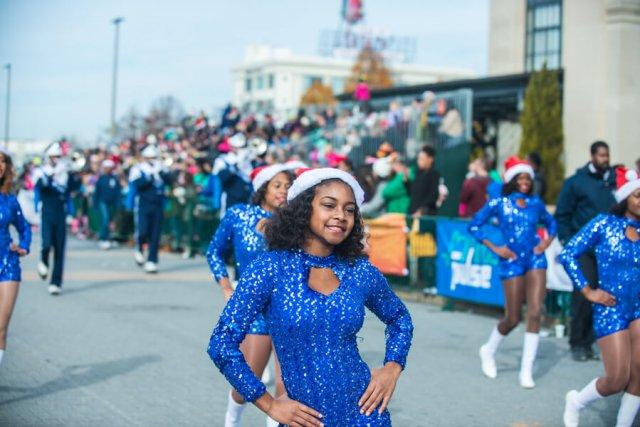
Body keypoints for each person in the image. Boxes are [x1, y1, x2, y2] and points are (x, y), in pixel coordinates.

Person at [207, 168, 413, 426]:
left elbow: (400, 319)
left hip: (366, 415)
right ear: (304, 209)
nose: (341, 216)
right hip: (304, 420)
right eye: (329, 205)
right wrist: (269, 404)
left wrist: (392, 368)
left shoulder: (359, 271)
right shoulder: (270, 268)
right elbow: (221, 344)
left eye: (350, 210)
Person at [206, 164, 294, 427]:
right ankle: (231, 419)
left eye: (289, 187)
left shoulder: (296, 222)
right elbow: (214, 252)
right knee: (248, 382)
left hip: (290, 308)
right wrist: (226, 287)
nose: (283, 191)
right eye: (277, 185)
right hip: (255, 308)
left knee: (286, 385)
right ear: (262, 187)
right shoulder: (239, 214)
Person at [561, 167, 640, 427]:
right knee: (617, 379)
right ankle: (576, 401)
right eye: (638, 195)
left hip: (638, 309)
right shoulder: (604, 223)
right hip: (611, 308)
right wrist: (587, 291)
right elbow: (569, 252)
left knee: (638, 373)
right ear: (625, 198)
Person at [469, 156, 557, 388]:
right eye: (521, 177)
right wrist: (496, 247)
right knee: (513, 318)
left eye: (528, 178)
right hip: (512, 261)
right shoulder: (499, 202)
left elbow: (552, 224)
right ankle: (488, 350)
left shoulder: (535, 203)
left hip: (536, 259)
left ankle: (526, 371)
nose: (526, 182)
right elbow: (475, 225)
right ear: (512, 180)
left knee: (536, 311)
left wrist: (545, 244)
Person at [555, 141, 617, 361]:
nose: (605, 159)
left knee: (605, 295)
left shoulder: (613, 182)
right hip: (583, 249)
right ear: (592, 156)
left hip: (608, 250)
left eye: (607, 155)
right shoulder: (576, 182)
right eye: (601, 155)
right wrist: (567, 241)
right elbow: (562, 214)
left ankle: (590, 342)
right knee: (584, 294)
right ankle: (577, 342)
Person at [33, 142, 80, 295]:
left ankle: (56, 282)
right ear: (48, 157)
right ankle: (43, 261)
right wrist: (53, 174)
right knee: (46, 244)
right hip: (47, 212)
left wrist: (73, 173)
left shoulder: (65, 172)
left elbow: (74, 188)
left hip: (61, 212)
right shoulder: (41, 171)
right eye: (53, 156)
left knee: (60, 249)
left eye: (58, 156)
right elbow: (41, 187)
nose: (56, 159)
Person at [0, 150, 31, 367]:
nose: (0, 165)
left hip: (8, 263)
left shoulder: (10, 200)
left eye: (3, 162)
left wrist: (24, 247)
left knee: (1, 325)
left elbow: (24, 228)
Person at [128, 144, 172, 274]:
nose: (152, 160)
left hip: (158, 203)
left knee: (155, 233)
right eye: (150, 157)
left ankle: (152, 260)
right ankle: (140, 249)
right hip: (143, 203)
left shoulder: (161, 168)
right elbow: (137, 184)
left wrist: (162, 172)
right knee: (142, 230)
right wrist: (149, 176)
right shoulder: (138, 169)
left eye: (154, 157)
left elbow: (169, 181)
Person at [93, 159, 121, 249]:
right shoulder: (101, 178)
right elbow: (97, 192)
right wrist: (95, 203)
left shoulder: (114, 179)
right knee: (105, 218)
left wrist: (118, 202)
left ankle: (107, 237)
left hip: (112, 203)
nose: (107, 169)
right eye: (106, 168)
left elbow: (117, 191)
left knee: (109, 220)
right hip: (103, 202)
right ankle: (103, 238)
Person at [408, 145, 440, 217]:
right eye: (418, 159)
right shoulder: (417, 174)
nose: (419, 161)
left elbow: (433, 195)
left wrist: (422, 210)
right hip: (412, 215)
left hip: (426, 217)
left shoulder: (434, 175)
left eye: (422, 159)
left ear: (430, 159)